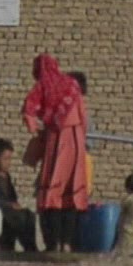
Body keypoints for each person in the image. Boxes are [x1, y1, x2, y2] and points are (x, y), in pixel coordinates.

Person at [22, 53, 89, 252]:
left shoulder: (42, 86)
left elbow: (28, 109)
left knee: (52, 190)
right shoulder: (73, 85)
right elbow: (83, 115)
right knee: (71, 191)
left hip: (56, 140)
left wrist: (35, 129)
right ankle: (66, 243)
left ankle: (53, 243)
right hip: (76, 140)